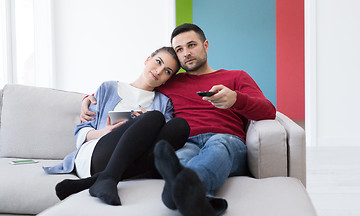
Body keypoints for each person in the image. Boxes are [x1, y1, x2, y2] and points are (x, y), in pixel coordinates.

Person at [81, 24, 276, 216]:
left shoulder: (236, 77)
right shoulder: (170, 81)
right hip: (185, 141)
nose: (186, 53)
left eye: (192, 45)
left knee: (219, 145)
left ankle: (183, 190)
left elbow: (268, 111)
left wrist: (236, 99)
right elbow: (136, 90)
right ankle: (191, 196)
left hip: (226, 139)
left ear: (205, 45)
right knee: (178, 159)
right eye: (179, 49)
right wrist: (89, 99)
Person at [43, 46, 190, 206]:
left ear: (167, 79)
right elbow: (81, 132)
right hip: (97, 153)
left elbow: (163, 144)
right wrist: (103, 132)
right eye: (158, 62)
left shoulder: (164, 102)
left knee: (180, 126)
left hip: (134, 161)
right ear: (148, 60)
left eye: (167, 71)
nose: (160, 70)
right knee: (154, 117)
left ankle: (101, 180)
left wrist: (145, 126)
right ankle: (107, 177)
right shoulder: (108, 88)